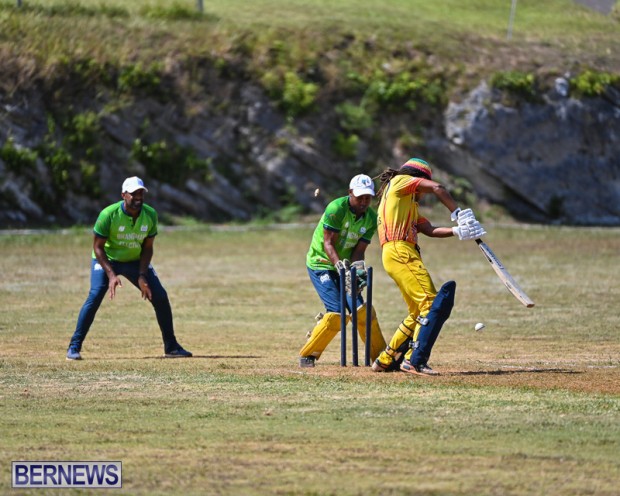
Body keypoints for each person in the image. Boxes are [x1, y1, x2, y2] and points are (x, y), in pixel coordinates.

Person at [371, 158, 486, 375]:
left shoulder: (405, 202)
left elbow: (429, 229)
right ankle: (413, 360)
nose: (422, 194)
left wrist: (457, 231)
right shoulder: (401, 181)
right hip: (400, 250)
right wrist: (458, 213)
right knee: (431, 304)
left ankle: (385, 359)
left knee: (417, 311)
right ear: (418, 179)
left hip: (396, 253)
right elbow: (438, 188)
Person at [66, 176, 192, 360]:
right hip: (107, 259)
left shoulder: (150, 215)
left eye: (141, 193)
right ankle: (74, 348)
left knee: (160, 296)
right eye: (133, 193)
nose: (138, 197)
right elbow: (98, 247)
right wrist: (111, 275)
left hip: (135, 260)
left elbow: (147, 248)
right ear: (123, 195)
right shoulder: (108, 215)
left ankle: (171, 347)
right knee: (95, 295)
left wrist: (142, 275)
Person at [299, 174, 386, 367]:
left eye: (368, 197)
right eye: (360, 197)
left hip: (346, 266)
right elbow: (328, 243)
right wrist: (340, 268)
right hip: (321, 262)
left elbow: (359, 251)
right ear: (350, 193)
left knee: (361, 310)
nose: (364, 201)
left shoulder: (372, 218)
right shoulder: (336, 208)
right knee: (337, 314)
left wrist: (356, 270)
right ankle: (308, 355)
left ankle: (382, 357)